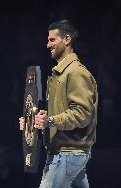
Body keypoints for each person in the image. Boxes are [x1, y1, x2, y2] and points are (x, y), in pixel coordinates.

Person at [19, 19, 98, 188]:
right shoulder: (60, 74)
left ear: (67, 39)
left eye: (52, 40)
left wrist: (51, 120)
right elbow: (53, 114)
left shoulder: (75, 73)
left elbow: (82, 114)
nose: (48, 45)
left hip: (68, 153)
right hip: (66, 151)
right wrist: (31, 122)